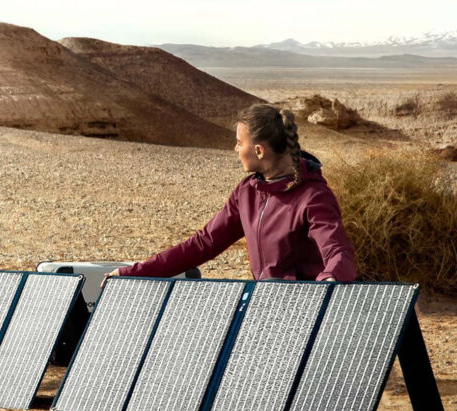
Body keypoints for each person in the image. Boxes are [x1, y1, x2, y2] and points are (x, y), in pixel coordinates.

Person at [112, 104, 356, 282]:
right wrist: (135, 271)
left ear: (259, 150)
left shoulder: (313, 196)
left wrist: (330, 282)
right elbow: (204, 243)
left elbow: (338, 252)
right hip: (265, 307)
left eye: (240, 143)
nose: (235, 148)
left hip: (307, 311)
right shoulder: (247, 192)